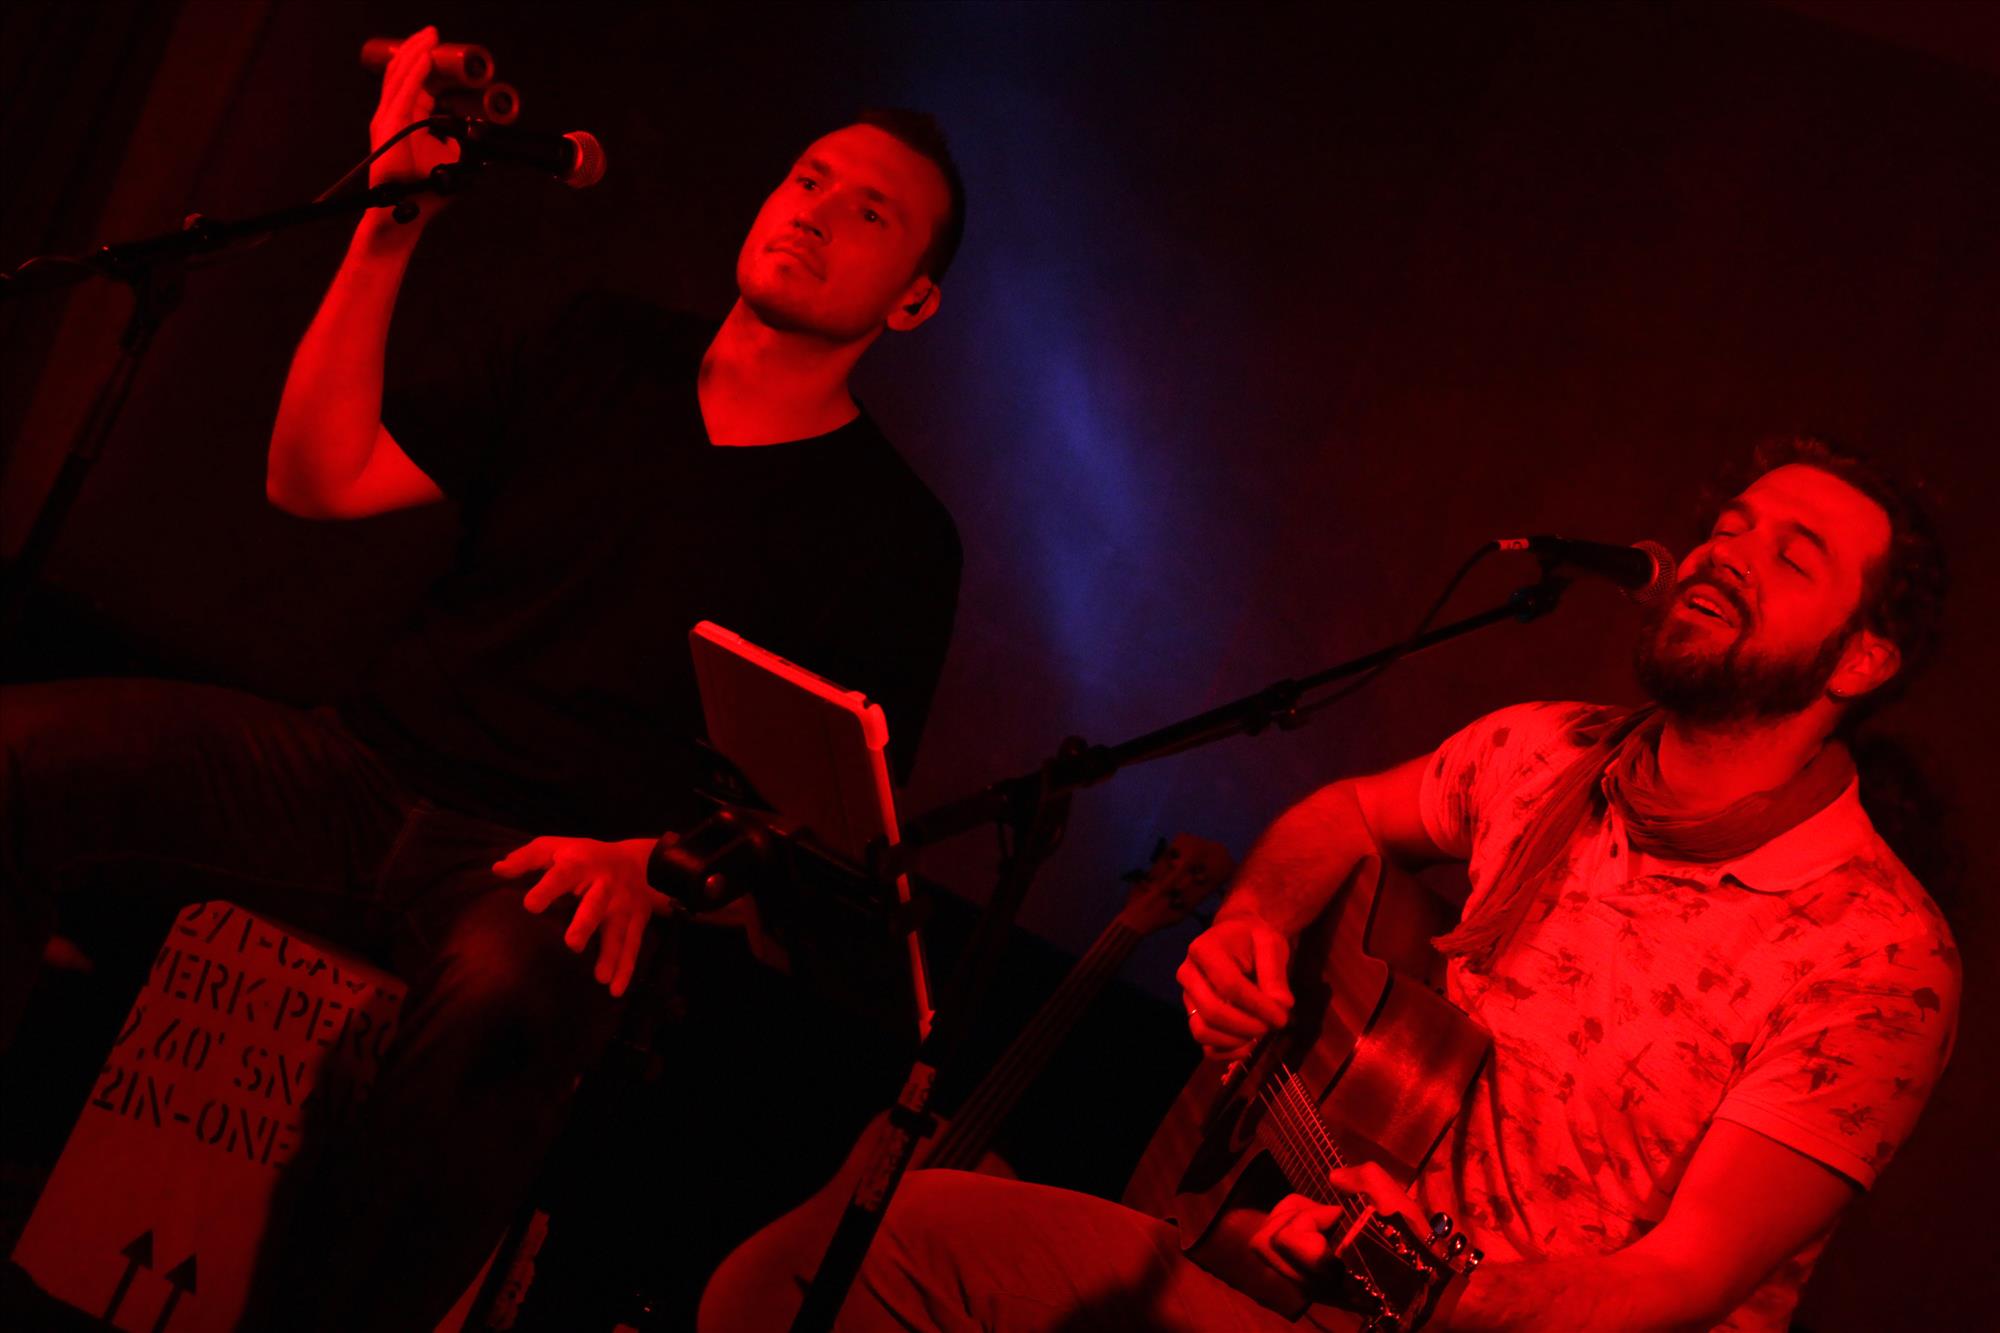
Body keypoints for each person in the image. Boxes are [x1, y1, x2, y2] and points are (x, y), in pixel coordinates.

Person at [1, 25, 964, 1330]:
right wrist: (386, 227)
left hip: (555, 866)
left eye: (870, 213)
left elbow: (825, 830)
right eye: (807, 179)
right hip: (355, 771)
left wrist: (648, 866)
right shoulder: (598, 344)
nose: (814, 213)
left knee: (501, 1008)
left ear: (913, 301)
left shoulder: (892, 535)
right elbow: (317, 478)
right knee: (21, 755)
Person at [832, 438, 1958, 1332]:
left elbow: (1683, 1277)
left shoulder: (1877, 954)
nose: (1727, 554)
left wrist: (1425, 1290)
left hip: (1455, 1317)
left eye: (1792, 557)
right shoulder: (1541, 750)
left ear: (1862, 659)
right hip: (1325, 1275)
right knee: (880, 1232)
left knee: (916, 1245)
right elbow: (1345, 814)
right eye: (1730, 526)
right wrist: (1252, 922)